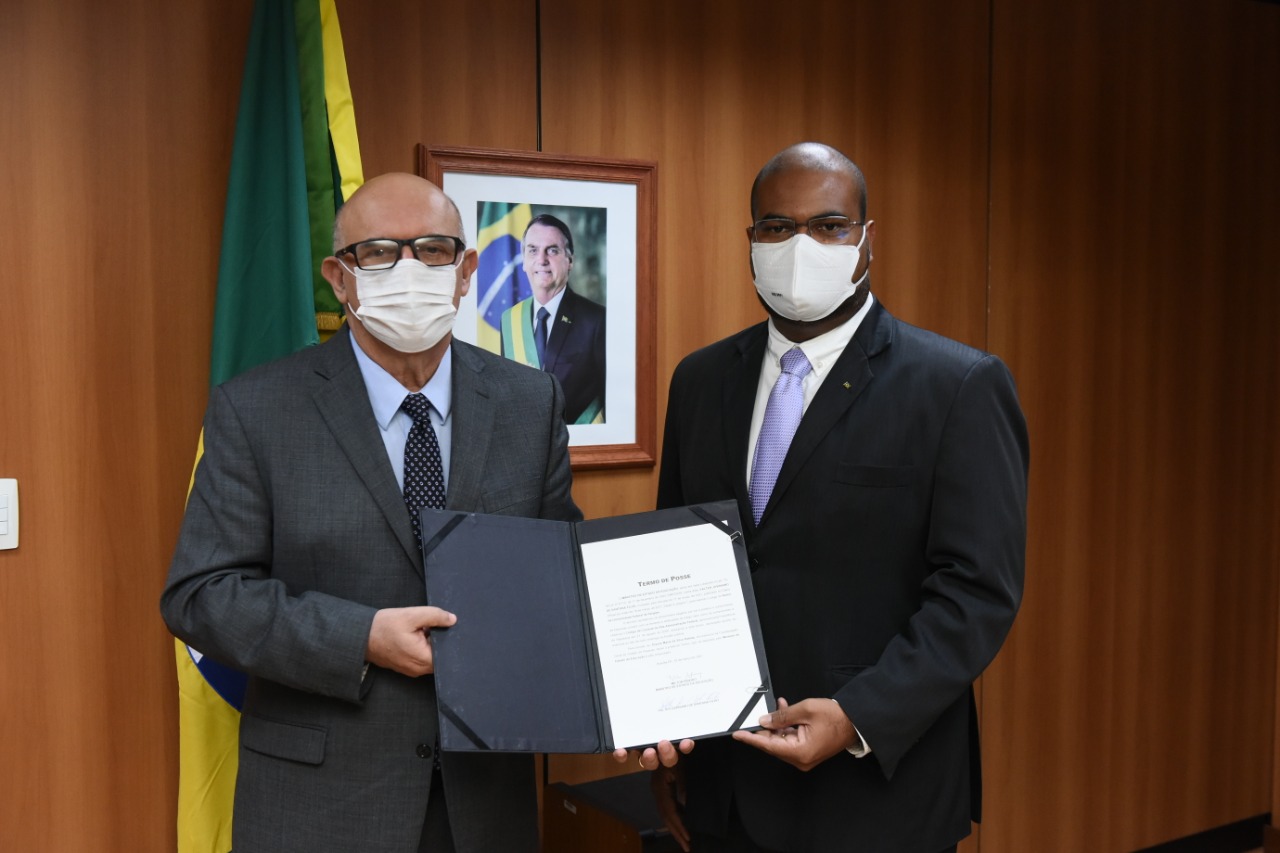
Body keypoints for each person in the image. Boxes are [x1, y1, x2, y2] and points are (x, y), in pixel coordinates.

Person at [619, 142, 1029, 853]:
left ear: (868, 241)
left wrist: (859, 715)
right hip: (726, 791)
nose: (800, 245)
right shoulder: (701, 380)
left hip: (877, 796)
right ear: (751, 243)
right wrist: (669, 742)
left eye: (830, 225)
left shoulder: (958, 386)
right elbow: (673, 566)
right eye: (776, 227)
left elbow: (978, 592)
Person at [161, 173, 581, 853]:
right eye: (381, 252)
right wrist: (360, 636)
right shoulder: (258, 409)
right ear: (339, 277)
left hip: (485, 804)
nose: (410, 270)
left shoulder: (531, 403)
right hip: (320, 807)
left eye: (435, 251)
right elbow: (200, 597)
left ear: (467, 270)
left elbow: (561, 580)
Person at [500, 213, 606, 424]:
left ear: (570, 261)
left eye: (552, 250)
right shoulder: (509, 319)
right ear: (523, 261)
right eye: (533, 250)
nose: (541, 260)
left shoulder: (597, 320)